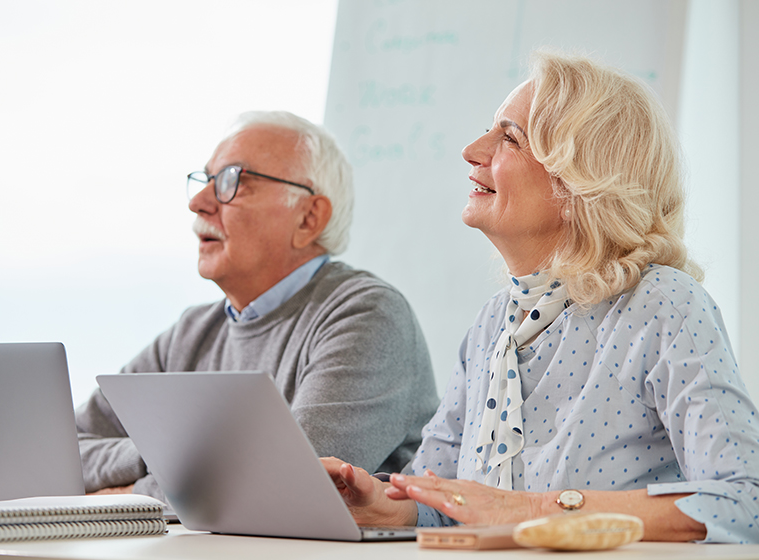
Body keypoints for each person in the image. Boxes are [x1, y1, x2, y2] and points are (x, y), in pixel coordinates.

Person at [322, 51, 759, 544]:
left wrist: (533, 509)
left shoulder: (663, 304)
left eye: (510, 138)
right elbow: (446, 505)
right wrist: (386, 507)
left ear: (580, 183)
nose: (471, 150)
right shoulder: (493, 323)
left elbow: (746, 501)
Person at [76, 111, 440, 501]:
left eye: (233, 180)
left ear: (309, 218)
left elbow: (283, 482)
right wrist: (157, 456)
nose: (198, 203)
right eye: (206, 180)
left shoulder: (367, 316)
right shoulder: (190, 333)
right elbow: (68, 449)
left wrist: (131, 493)